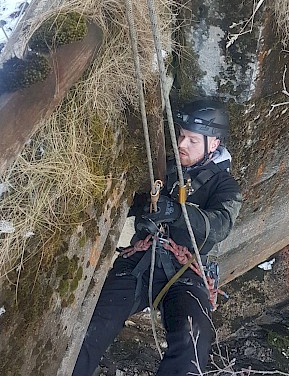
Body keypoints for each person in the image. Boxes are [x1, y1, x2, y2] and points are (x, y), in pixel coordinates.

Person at [72, 98, 242, 376]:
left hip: (186, 271)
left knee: (193, 345)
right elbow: (129, 199)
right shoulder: (162, 167)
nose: (182, 145)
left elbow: (220, 225)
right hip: (140, 261)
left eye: (192, 140)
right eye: (181, 136)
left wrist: (176, 212)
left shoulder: (225, 187)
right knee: (88, 330)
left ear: (214, 143)